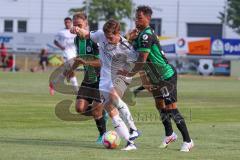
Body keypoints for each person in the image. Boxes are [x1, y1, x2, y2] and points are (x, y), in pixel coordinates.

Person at [118, 5, 194, 152]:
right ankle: (169, 134)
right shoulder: (140, 35)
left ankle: (188, 140)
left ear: (148, 18)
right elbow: (133, 54)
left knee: (171, 108)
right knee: (160, 105)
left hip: (165, 76)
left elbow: (141, 60)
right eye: (136, 18)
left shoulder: (146, 35)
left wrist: (128, 74)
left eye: (139, 18)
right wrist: (130, 39)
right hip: (155, 78)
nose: (136, 20)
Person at [71, 19, 140, 151]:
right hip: (105, 78)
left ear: (118, 33)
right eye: (106, 37)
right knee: (110, 108)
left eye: (111, 37)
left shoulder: (126, 47)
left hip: (121, 76)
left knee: (114, 96)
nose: (108, 40)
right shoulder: (101, 35)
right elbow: (86, 34)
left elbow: (138, 63)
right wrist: (77, 30)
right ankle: (130, 143)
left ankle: (133, 129)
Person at [66, 12, 107, 144]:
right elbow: (79, 59)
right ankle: (102, 110)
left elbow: (102, 62)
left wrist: (86, 62)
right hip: (88, 79)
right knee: (79, 109)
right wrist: (70, 71)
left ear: (86, 25)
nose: (77, 27)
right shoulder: (76, 40)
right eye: (75, 25)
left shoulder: (94, 38)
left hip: (101, 79)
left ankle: (103, 135)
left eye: (80, 25)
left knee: (96, 109)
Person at [50, 17, 78, 95]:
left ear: (71, 22)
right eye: (66, 22)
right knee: (71, 69)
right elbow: (55, 41)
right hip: (66, 53)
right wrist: (61, 47)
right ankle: (76, 89)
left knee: (68, 71)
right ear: (64, 23)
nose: (67, 24)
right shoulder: (61, 32)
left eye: (68, 22)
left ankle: (53, 83)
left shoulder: (75, 31)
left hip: (74, 53)